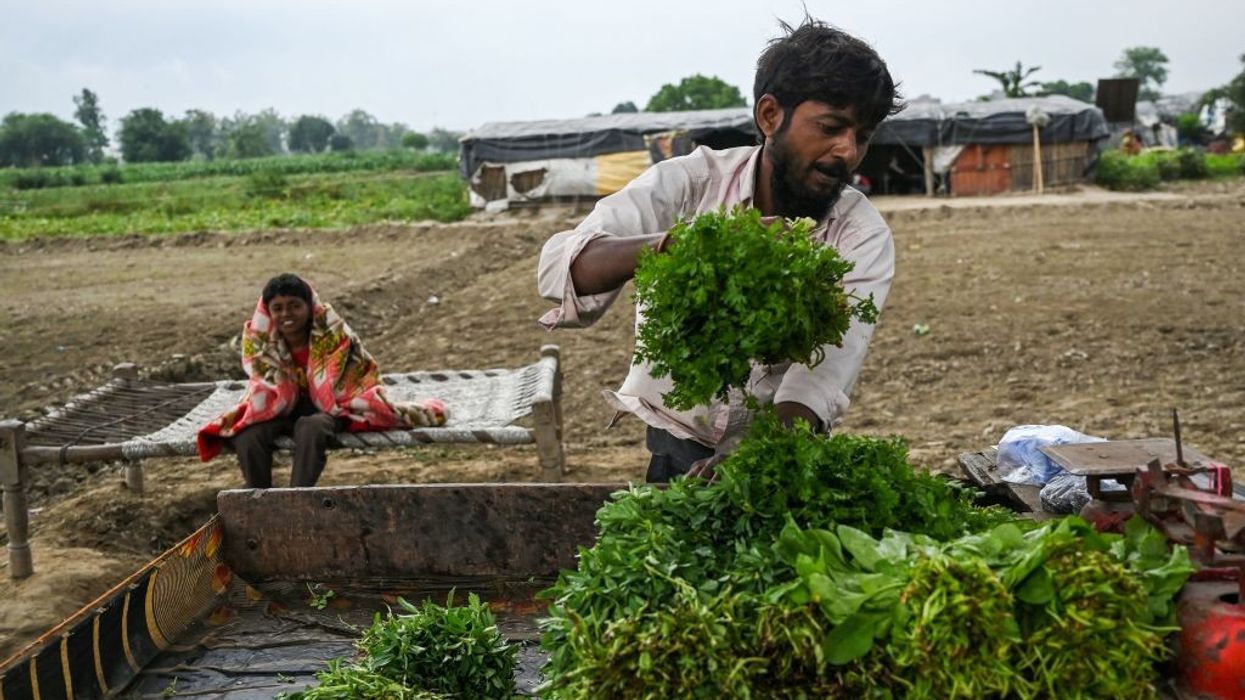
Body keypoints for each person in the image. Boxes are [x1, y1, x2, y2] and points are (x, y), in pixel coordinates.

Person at [536, 19, 901, 482]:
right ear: (770, 116)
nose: (847, 150)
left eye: (863, 136)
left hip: (781, 456)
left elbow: (822, 375)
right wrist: (676, 247)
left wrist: (753, 459)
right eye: (830, 127)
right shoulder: (689, 184)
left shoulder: (861, 234)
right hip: (673, 450)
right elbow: (560, 268)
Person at [197, 273, 446, 487]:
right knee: (249, 435)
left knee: (311, 427)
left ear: (309, 307)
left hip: (331, 406)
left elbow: (352, 379)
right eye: (278, 308)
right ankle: (258, 497)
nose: (287, 314)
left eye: (295, 305)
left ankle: (298, 498)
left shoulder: (333, 337)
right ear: (269, 311)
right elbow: (263, 383)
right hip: (281, 407)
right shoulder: (261, 342)